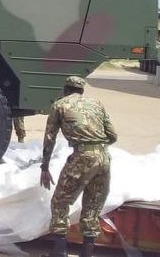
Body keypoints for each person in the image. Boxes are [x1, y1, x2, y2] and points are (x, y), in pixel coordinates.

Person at [40, 76, 117, 257]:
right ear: (82, 90)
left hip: (82, 157)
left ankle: (59, 253)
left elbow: (49, 138)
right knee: (92, 205)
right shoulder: (96, 103)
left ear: (65, 90)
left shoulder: (60, 105)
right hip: (104, 158)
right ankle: (87, 253)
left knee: (60, 202)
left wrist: (44, 167)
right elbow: (113, 135)